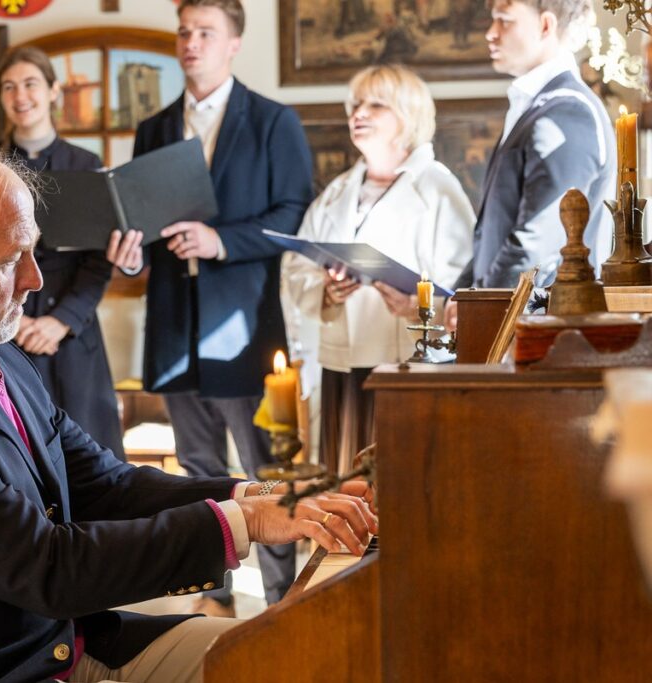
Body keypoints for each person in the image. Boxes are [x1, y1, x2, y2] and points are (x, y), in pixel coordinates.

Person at [0, 143, 376, 683]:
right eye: (12, 259)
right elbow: (48, 568)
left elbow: (105, 486)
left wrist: (266, 496)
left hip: (51, 646)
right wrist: (244, 523)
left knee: (312, 657)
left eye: (34, 251)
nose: (35, 279)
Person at [107, 0, 314, 615]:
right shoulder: (154, 128)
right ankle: (213, 599)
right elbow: (140, 225)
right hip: (175, 325)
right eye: (184, 32)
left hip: (244, 326)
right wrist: (129, 258)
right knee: (196, 470)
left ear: (233, 43)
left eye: (205, 32)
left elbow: (293, 215)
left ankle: (281, 606)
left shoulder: (273, 120)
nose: (190, 42)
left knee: (265, 471)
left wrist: (220, 240)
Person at [280, 64, 475, 474]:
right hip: (341, 367)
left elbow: (465, 287)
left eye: (376, 104)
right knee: (343, 486)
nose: (359, 113)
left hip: (406, 366)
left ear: (408, 114)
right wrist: (324, 291)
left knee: (397, 485)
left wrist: (420, 305)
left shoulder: (438, 189)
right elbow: (296, 265)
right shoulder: (338, 191)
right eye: (355, 104)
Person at [446, 0, 613, 330]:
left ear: (546, 26)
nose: (490, 33)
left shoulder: (568, 112)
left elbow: (539, 240)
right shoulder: (537, 106)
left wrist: (482, 306)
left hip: (546, 331)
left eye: (504, 20)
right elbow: (495, 234)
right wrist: (462, 295)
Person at [0, 46, 125, 461]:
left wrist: (61, 321)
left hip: (73, 335)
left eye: (30, 84)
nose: (20, 96)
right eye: (9, 87)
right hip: (5, 333)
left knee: (92, 463)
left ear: (54, 91)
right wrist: (11, 321)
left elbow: (99, 259)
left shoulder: (86, 164)